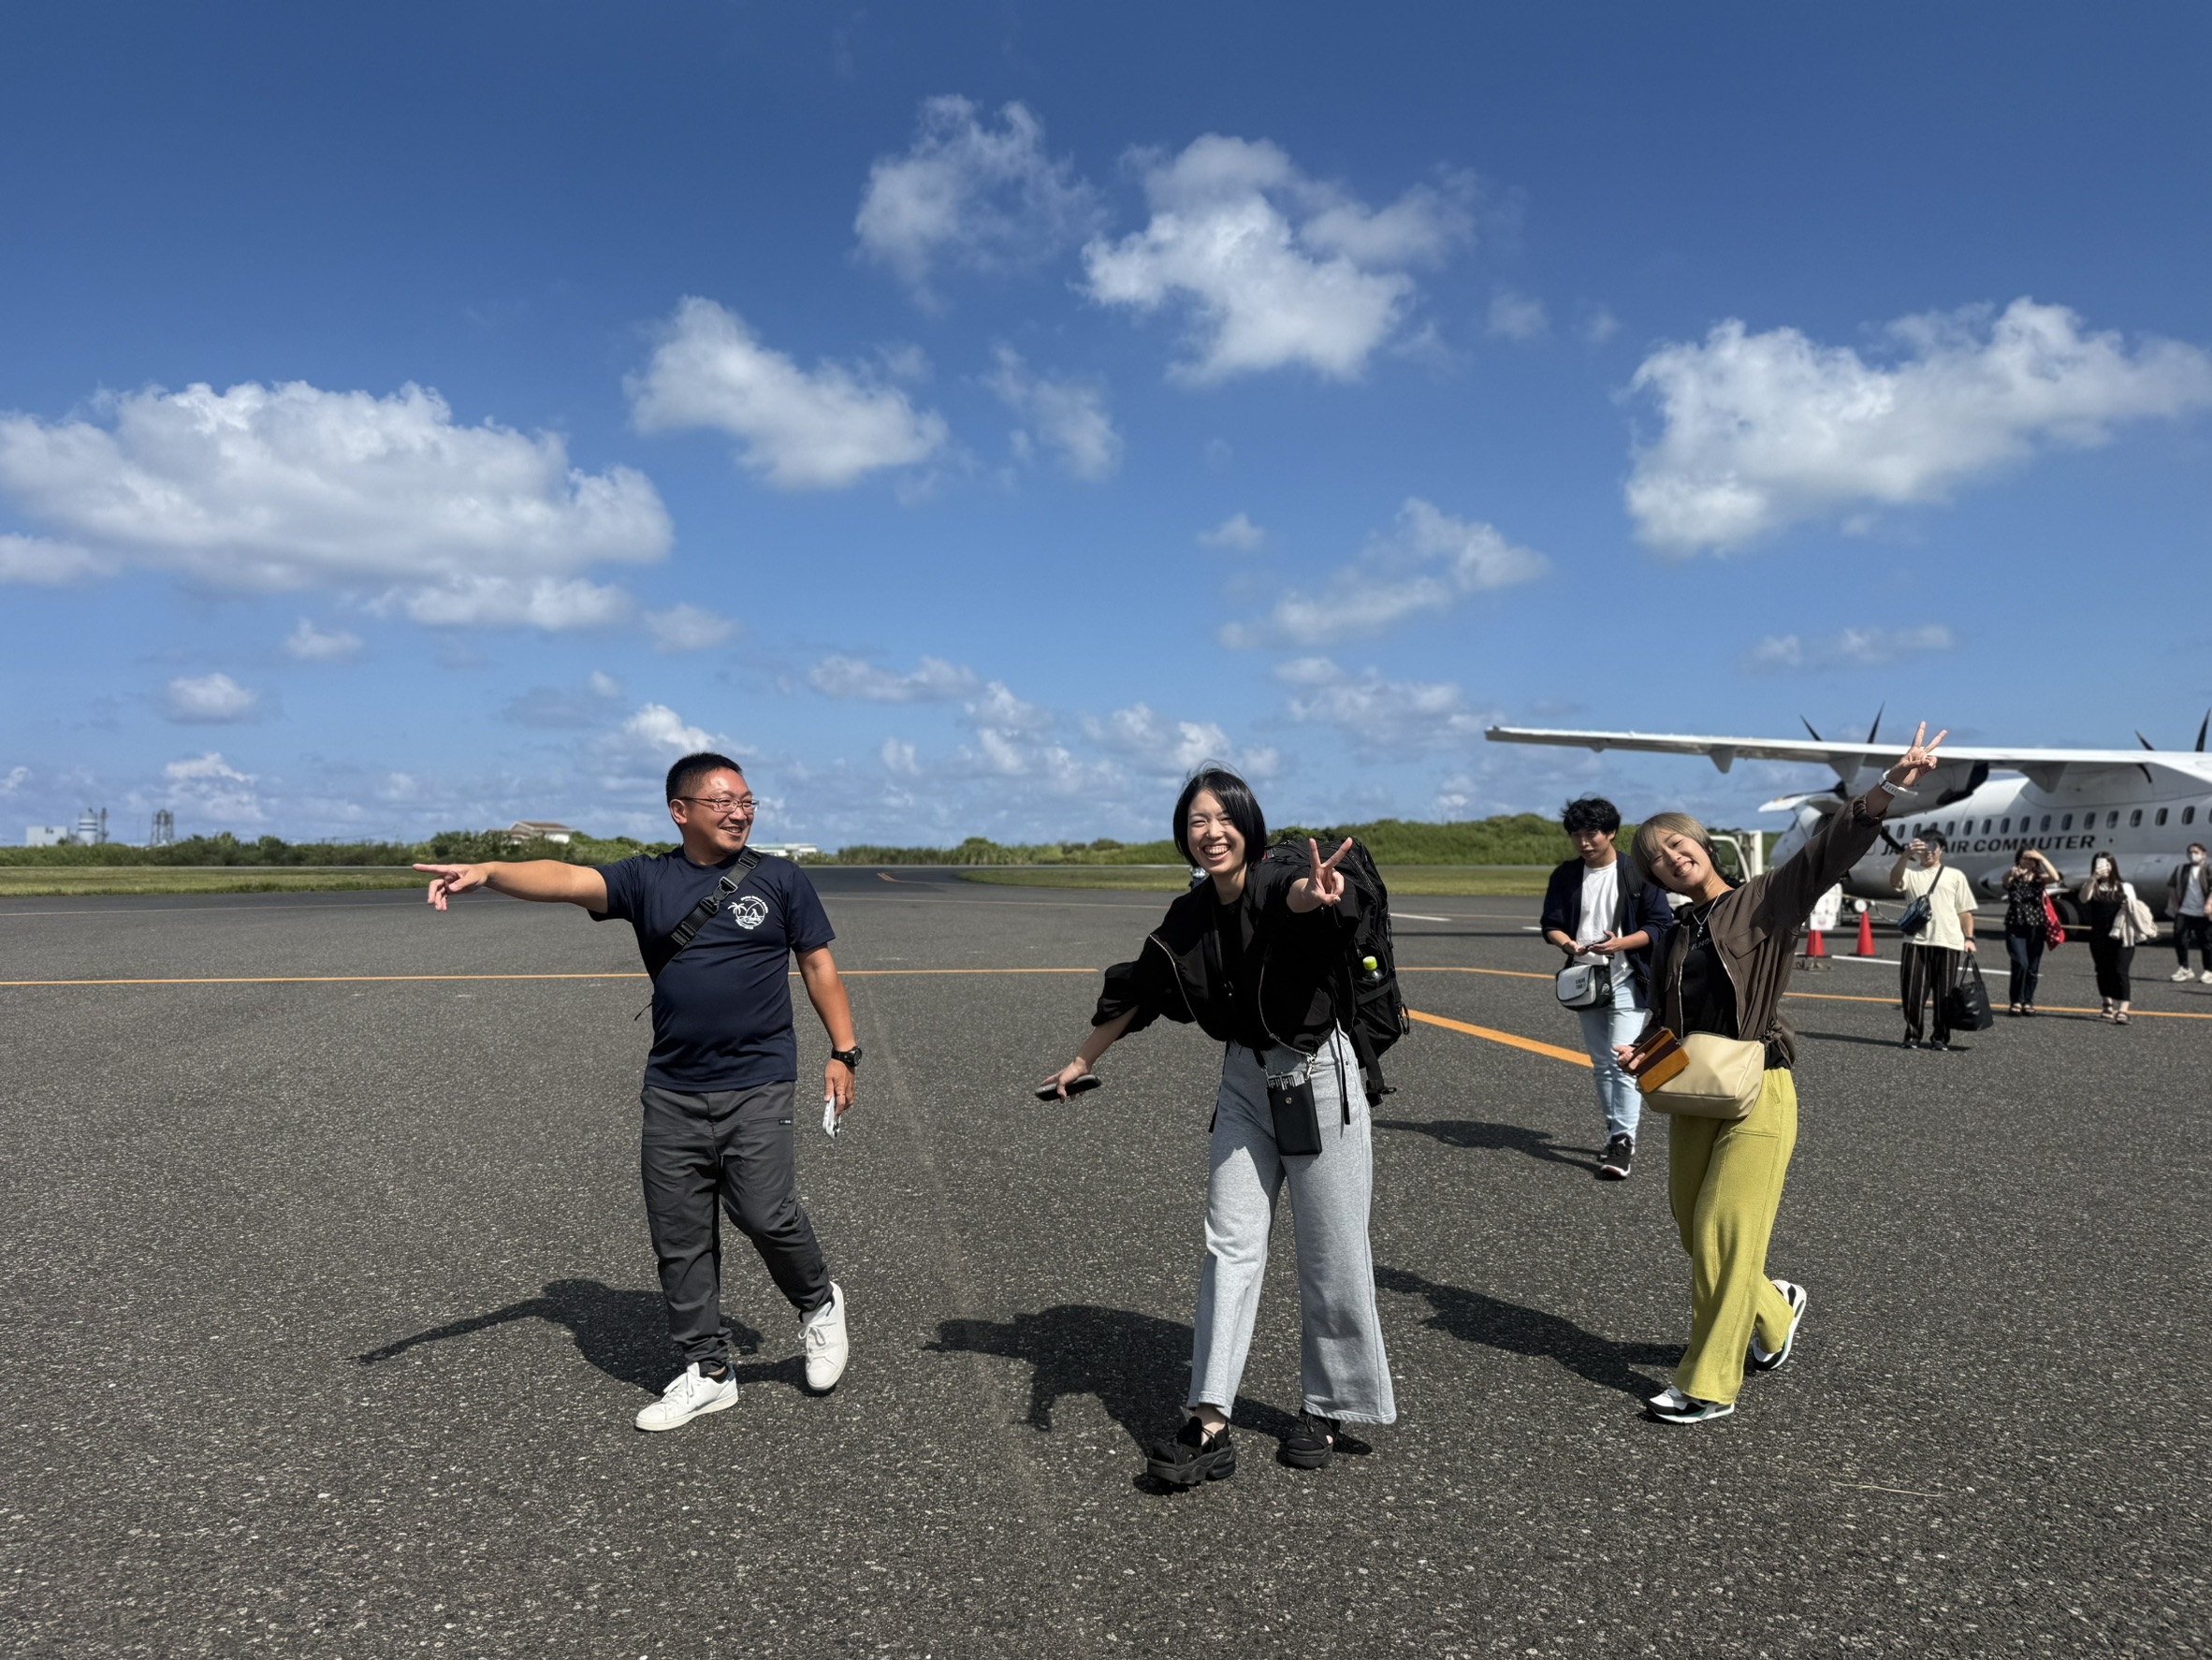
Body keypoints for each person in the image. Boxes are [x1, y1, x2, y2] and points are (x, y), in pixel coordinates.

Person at [414, 750, 859, 1432]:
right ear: (680, 811)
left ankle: (819, 1303)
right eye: (722, 801)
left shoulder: (779, 878)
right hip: (674, 1087)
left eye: (746, 801)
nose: (739, 812)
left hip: (759, 1079)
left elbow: (818, 965)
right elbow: (566, 878)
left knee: (766, 1213)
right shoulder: (646, 879)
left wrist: (844, 1051)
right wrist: (490, 872)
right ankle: (709, 1371)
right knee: (680, 1233)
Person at [1040, 768, 1393, 1485]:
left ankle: (1329, 1407)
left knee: (1330, 1250)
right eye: (1198, 821)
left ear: (1248, 826)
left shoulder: (1281, 878)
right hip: (1244, 1084)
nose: (1212, 832)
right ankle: (1209, 1421)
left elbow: (1302, 898)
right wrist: (1080, 1060)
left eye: (1225, 818)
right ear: (1184, 835)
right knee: (1228, 1246)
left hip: (1318, 1076)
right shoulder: (1191, 914)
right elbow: (1139, 991)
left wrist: (1319, 890)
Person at [1618, 722, 1951, 1425]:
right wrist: (1642, 1051)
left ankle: (1709, 1382)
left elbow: (1830, 850)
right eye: (1656, 859)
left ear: (1702, 844)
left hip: (1759, 1086)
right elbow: (1666, 1015)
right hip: (1693, 1088)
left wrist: (1887, 787)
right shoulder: (1674, 936)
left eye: (1677, 844)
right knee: (1691, 1226)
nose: (1671, 859)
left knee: (1724, 1231)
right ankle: (1775, 1309)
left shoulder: (1765, 900)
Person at [1540, 796, 1674, 1179]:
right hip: (1586, 979)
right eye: (1576, 835)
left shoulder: (1637, 873)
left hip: (1629, 977)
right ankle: (1615, 1130)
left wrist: (1620, 944)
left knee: (1623, 1062)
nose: (1584, 842)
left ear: (1611, 832)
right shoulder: (1566, 876)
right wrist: (1569, 945)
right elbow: (1550, 924)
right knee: (1601, 1064)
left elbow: (1660, 925)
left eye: (1592, 833)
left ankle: (1623, 1140)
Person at [1888, 830, 1977, 1051]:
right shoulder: (1910, 874)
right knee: (1912, 993)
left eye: (1933, 846)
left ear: (1942, 849)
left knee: (1944, 994)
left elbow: (1964, 911)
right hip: (1916, 941)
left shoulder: (1955, 876)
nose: (1928, 851)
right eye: (1923, 847)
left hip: (1948, 942)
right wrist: (1904, 855)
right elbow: (1894, 881)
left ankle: (1940, 1037)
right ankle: (1913, 1035)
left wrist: (1969, 938)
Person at [2078, 852, 2144, 1023]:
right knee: (2102, 970)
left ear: (2113, 865)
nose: (2104, 868)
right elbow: (2083, 899)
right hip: (2099, 935)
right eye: (2099, 864)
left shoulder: (2125, 886)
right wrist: (2093, 878)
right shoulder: (2091, 885)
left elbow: (2135, 909)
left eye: (2107, 864)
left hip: (2123, 935)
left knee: (2121, 970)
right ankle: (2107, 1003)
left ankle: (2123, 1009)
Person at [2000, 847, 2063, 1016]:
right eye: (2024, 858)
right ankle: (2016, 1000)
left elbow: (2055, 877)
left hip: (2036, 926)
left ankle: (2028, 1001)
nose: (2028, 861)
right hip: (2015, 925)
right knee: (2020, 963)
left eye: (2031, 859)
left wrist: (2041, 858)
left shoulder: (2039, 878)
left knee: (2032, 967)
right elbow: (2005, 880)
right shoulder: (2013, 877)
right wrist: (2013, 873)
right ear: (2018, 859)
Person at [2167, 843, 2211, 984]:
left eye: (2196, 852)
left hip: (2203, 913)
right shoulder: (2181, 869)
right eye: (2190, 852)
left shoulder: (2209, 869)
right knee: (2180, 939)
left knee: (2206, 943)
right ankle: (2185, 968)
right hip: (2185, 911)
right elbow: (2172, 885)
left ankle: (2209, 970)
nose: (2193, 855)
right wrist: (2176, 905)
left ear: (2203, 854)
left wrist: (2209, 904)